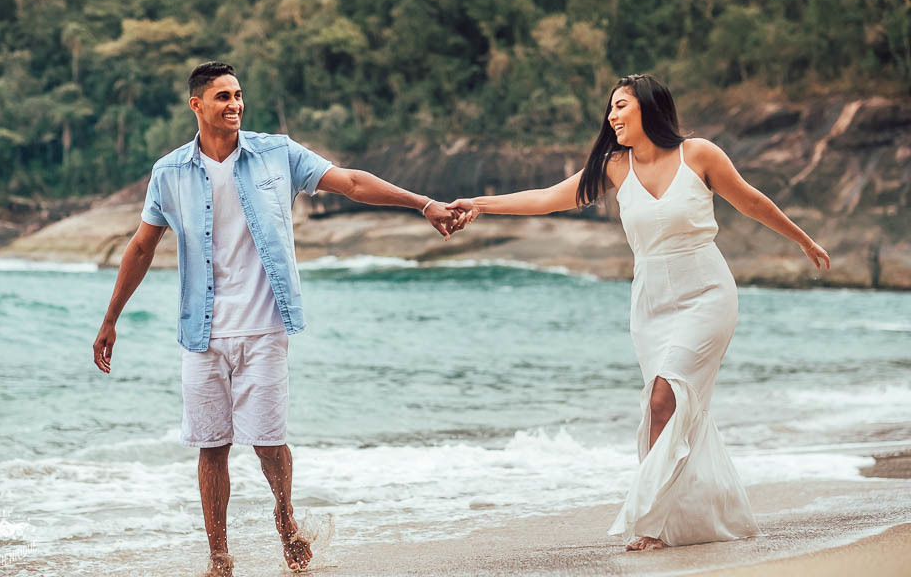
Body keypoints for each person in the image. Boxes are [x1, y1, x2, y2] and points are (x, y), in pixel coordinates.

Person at [91, 61, 461, 575]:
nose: (235, 104)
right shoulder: (169, 173)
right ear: (196, 105)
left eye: (239, 95)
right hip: (202, 333)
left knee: (267, 441)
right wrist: (111, 320)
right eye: (223, 97)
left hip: (265, 326)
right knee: (210, 445)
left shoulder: (278, 153)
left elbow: (351, 182)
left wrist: (422, 203)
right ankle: (219, 555)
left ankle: (285, 518)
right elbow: (140, 247)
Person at [447, 74, 830, 551]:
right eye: (611, 108)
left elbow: (750, 200)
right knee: (666, 406)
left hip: (706, 292)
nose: (613, 116)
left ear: (649, 107)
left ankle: (648, 523)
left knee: (665, 396)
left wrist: (803, 239)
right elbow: (548, 199)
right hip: (650, 302)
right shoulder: (614, 167)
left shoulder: (700, 155)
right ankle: (683, 521)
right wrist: (479, 205)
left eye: (622, 105)